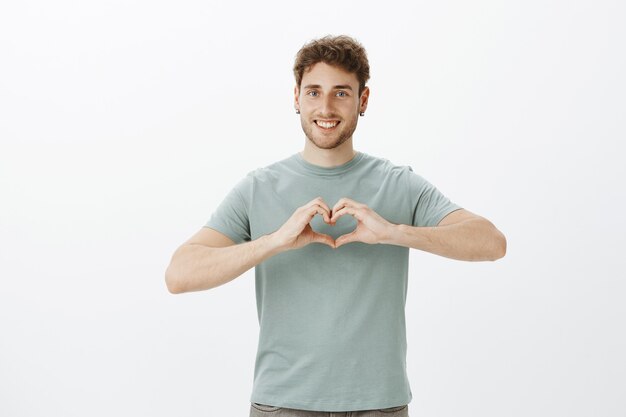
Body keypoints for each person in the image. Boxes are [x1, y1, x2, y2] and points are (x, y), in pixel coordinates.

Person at [165, 34, 507, 417]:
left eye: (341, 93)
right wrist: (274, 241)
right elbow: (179, 274)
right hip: (283, 404)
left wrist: (393, 232)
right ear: (296, 97)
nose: (325, 107)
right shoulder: (258, 187)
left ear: (363, 100)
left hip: (379, 404)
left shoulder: (398, 183)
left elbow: (491, 242)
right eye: (313, 92)